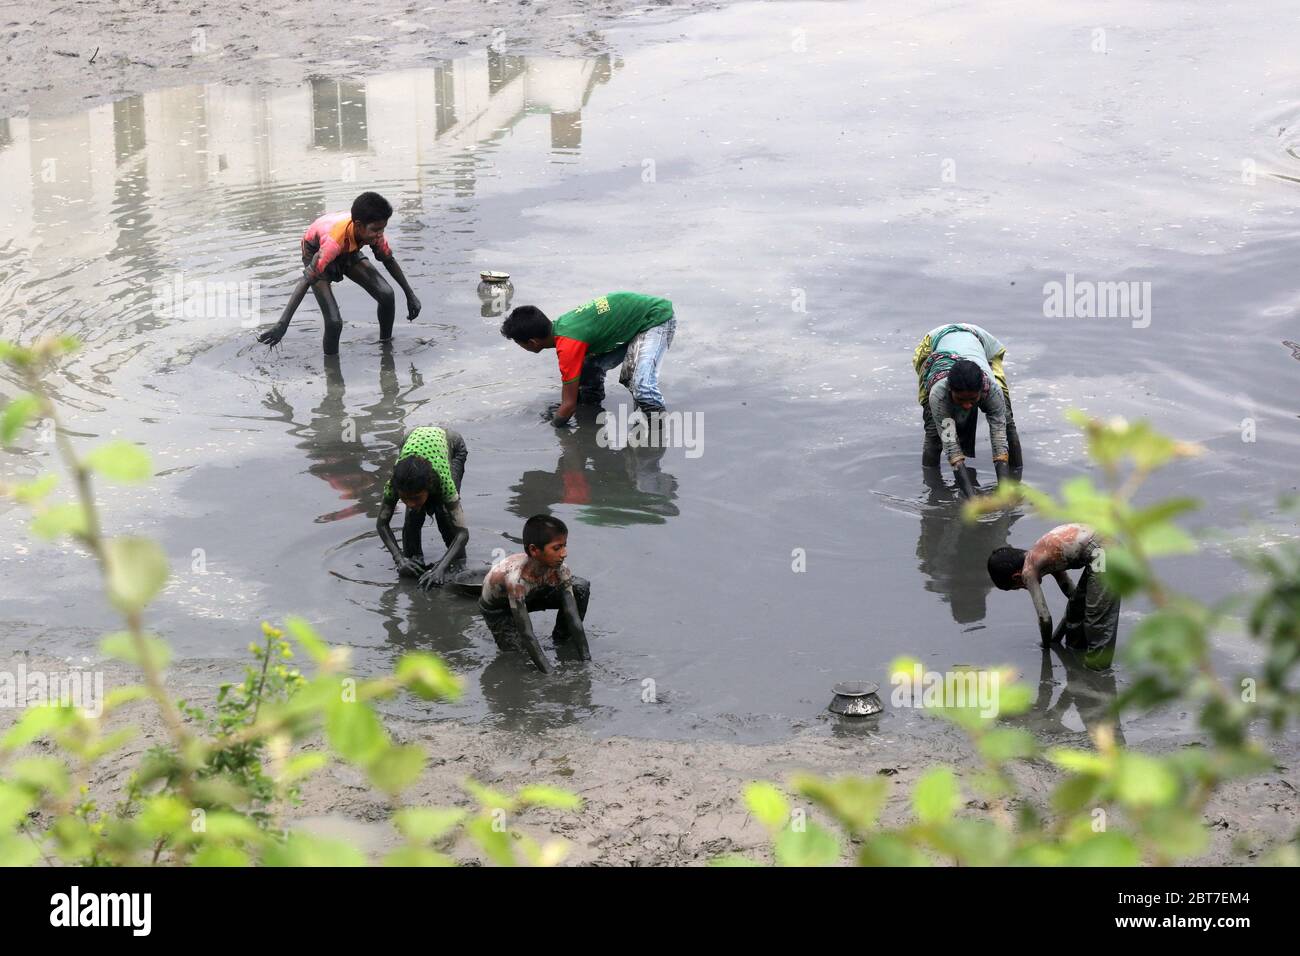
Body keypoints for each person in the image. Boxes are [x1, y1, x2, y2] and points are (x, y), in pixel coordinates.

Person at [257, 191, 421, 354]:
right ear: (358, 225)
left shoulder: (374, 233)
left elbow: (389, 260)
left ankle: (386, 347)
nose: (379, 234)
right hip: (316, 250)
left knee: (386, 294)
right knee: (334, 322)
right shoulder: (333, 243)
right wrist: (282, 324)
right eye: (375, 230)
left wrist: (410, 294)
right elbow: (306, 280)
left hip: (347, 250)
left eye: (383, 229)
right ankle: (332, 370)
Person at [499, 292, 676, 427]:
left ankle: (655, 437)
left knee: (640, 385)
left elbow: (567, 407)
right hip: (632, 323)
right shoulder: (564, 325)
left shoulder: (568, 346)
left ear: (532, 342)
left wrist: (555, 424)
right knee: (588, 367)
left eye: (518, 342)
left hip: (655, 319)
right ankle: (591, 406)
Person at [987, 523, 1120, 669]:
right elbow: (1072, 596)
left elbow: (1044, 619)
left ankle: (1097, 669)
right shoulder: (1044, 555)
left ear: (1017, 577)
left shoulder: (1028, 572)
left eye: (1017, 588)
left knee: (1096, 617)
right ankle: (1076, 653)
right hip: (1100, 549)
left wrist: (1046, 646)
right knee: (1076, 610)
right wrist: (1056, 641)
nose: (1023, 588)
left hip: (1102, 554)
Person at [912, 322, 1023, 497]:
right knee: (934, 434)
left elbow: (999, 439)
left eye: (973, 399)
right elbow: (951, 446)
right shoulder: (939, 395)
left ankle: (1017, 479)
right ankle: (933, 487)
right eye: (961, 399)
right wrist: (972, 499)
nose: (967, 406)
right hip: (936, 340)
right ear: (950, 391)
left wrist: (1004, 497)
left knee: (1007, 423)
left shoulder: (992, 391)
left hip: (978, 338)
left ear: (981, 391)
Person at [478, 515, 591, 673]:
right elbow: (527, 633)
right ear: (534, 550)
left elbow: (572, 615)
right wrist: (550, 672)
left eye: (564, 546)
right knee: (518, 655)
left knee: (580, 587)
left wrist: (586, 660)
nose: (564, 553)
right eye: (557, 548)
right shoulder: (515, 579)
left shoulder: (560, 569)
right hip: (501, 609)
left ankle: (561, 639)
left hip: (533, 592)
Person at [375, 426, 469, 589]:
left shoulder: (442, 481)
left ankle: (455, 560)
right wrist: (399, 559)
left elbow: (462, 533)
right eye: (404, 498)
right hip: (410, 438)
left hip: (452, 444)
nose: (410, 503)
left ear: (429, 487)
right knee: (413, 514)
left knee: (444, 513)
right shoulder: (394, 484)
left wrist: (440, 568)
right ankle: (413, 560)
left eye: (416, 497)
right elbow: (382, 524)